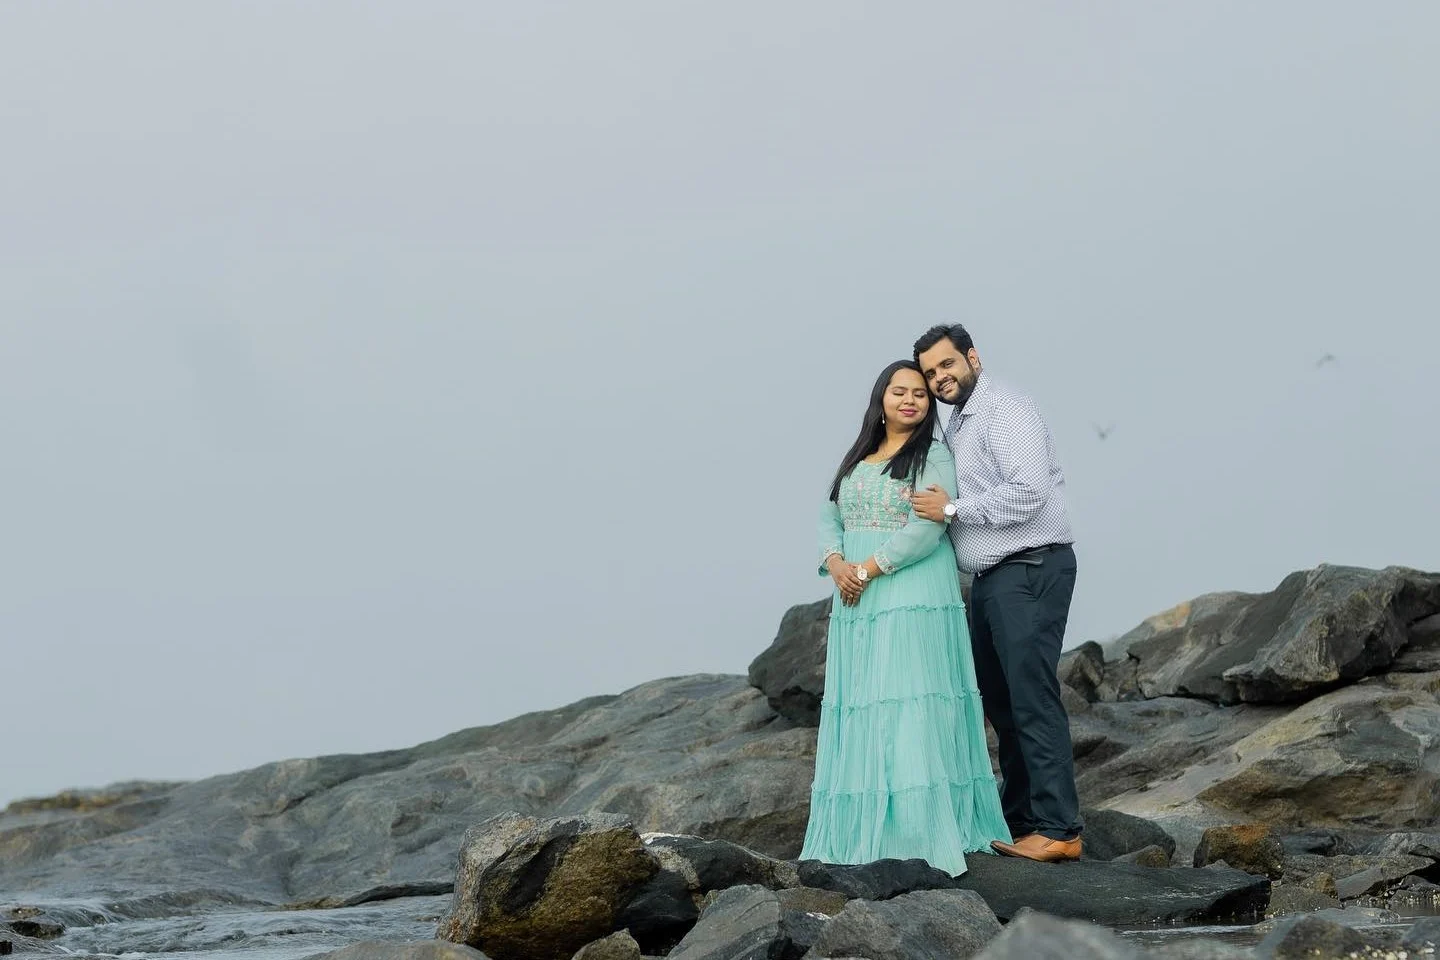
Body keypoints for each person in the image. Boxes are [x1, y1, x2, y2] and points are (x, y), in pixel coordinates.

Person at [800, 360, 1011, 877]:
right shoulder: (859, 456)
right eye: (900, 391)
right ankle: (860, 833)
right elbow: (831, 512)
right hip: (856, 595)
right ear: (882, 398)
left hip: (909, 587)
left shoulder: (933, 454)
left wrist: (867, 569)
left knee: (910, 698)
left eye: (920, 393)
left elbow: (928, 528)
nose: (911, 400)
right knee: (866, 703)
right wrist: (835, 564)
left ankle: (918, 830)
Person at [910, 324, 1084, 863]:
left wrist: (954, 511)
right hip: (991, 580)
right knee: (1003, 705)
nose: (940, 378)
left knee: (1031, 697)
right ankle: (1022, 821)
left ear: (972, 357)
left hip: (1031, 566)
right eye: (931, 373)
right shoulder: (959, 424)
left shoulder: (1004, 407)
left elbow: (1029, 493)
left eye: (947, 365)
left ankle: (1060, 829)